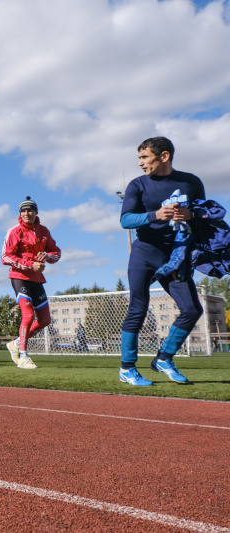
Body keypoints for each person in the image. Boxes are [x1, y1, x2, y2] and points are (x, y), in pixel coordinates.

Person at [118, 137, 205, 386]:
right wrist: (154, 215)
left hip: (176, 257)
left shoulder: (191, 182)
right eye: (139, 158)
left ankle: (164, 359)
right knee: (138, 308)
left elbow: (205, 212)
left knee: (191, 309)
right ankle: (127, 369)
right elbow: (125, 220)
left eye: (144, 157)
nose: (140, 163)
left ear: (163, 156)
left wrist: (192, 214)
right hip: (144, 253)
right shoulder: (138, 185)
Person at [1, 196, 61, 369]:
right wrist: (30, 264)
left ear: (36, 212)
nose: (27, 213)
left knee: (45, 320)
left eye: (30, 210)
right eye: (23, 211)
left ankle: (15, 344)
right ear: (20, 213)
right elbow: (5, 256)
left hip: (37, 279)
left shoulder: (44, 231)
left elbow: (56, 252)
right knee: (27, 315)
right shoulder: (14, 231)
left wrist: (47, 256)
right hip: (19, 278)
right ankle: (23, 356)